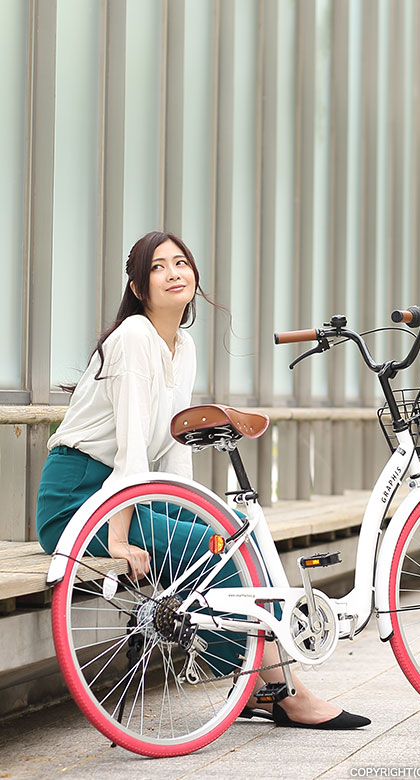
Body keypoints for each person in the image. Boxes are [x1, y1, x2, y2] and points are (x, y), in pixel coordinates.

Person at [36, 230, 369, 730]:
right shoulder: (131, 339)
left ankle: (255, 685)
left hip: (129, 493)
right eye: (157, 267)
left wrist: (209, 515)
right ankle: (280, 690)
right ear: (137, 286)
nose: (174, 273)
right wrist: (120, 541)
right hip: (80, 500)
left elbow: (174, 454)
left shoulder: (182, 346)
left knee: (235, 532)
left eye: (181, 263)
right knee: (224, 554)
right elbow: (129, 455)